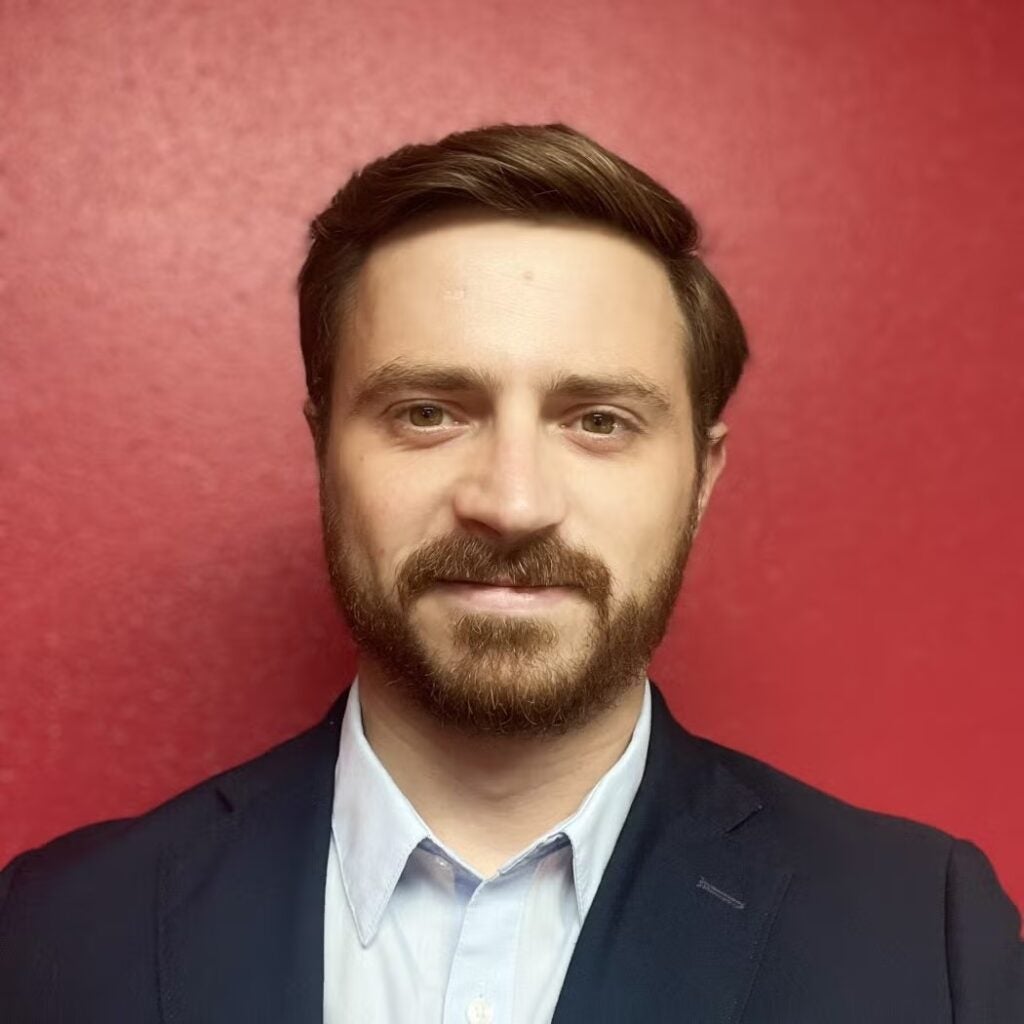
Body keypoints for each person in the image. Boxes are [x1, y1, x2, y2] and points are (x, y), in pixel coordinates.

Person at [0, 123, 1020, 1023]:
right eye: (428, 412)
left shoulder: (931, 940)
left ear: (701, 476)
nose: (512, 500)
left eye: (598, 421)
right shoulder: (50, 933)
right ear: (323, 450)